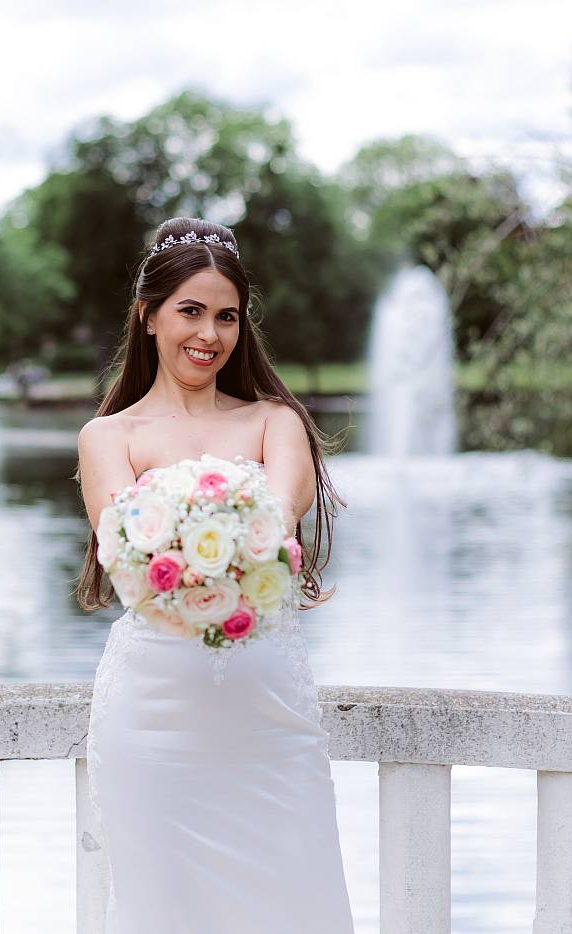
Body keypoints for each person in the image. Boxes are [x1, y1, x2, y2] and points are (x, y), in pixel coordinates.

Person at [73, 216, 355, 932]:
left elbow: (281, 513)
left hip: (266, 710)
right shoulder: (108, 437)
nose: (210, 334)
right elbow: (121, 545)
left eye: (226, 316)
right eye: (190, 311)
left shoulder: (274, 422)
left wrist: (223, 528)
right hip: (153, 713)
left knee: (295, 902)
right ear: (148, 317)